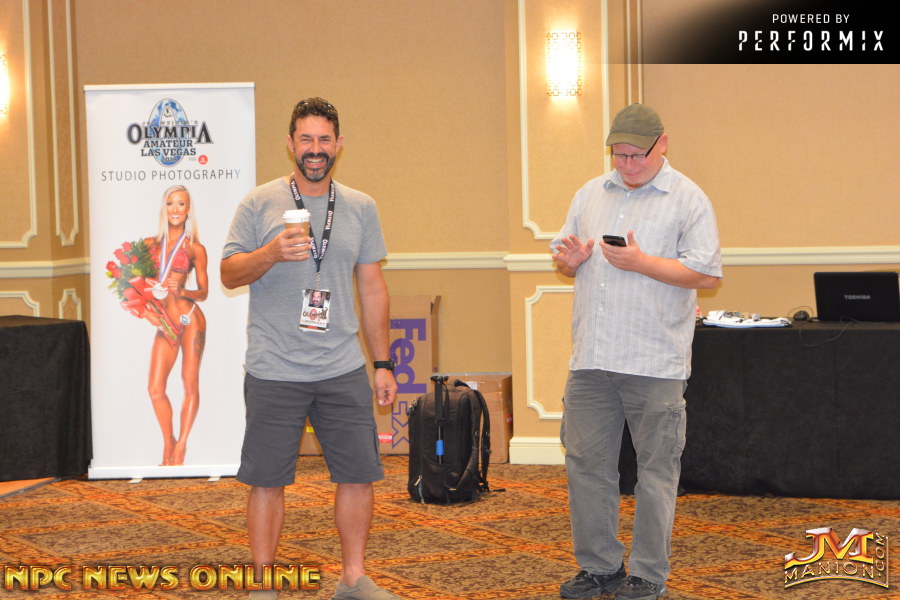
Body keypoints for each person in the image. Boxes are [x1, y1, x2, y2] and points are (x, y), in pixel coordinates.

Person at [221, 97, 401, 600]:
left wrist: (382, 363)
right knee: (267, 480)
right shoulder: (259, 203)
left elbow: (372, 288)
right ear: (290, 144)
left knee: (358, 475)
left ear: (339, 144)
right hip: (274, 367)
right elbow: (228, 273)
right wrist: (270, 252)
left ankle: (353, 579)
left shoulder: (360, 207)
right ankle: (263, 584)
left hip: (341, 366)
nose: (315, 149)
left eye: (324, 139)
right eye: (306, 139)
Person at [552, 103, 722, 600]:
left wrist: (643, 262)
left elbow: (707, 274)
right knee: (586, 466)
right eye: (618, 155)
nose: (626, 164)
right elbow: (565, 261)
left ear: (661, 144)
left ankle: (648, 573)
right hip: (591, 360)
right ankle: (600, 567)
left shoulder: (688, 199)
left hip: (654, 361)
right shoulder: (589, 194)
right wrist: (571, 262)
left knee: (656, 471)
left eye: (636, 155)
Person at [143, 185, 208, 467]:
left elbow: (204, 292)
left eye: (181, 204)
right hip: (166, 322)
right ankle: (167, 441)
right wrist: (147, 313)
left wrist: (182, 291)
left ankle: (181, 446)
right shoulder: (149, 245)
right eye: (170, 203)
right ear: (164, 208)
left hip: (189, 318)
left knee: (189, 383)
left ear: (188, 209)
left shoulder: (195, 248)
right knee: (155, 388)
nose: (175, 209)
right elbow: (134, 288)